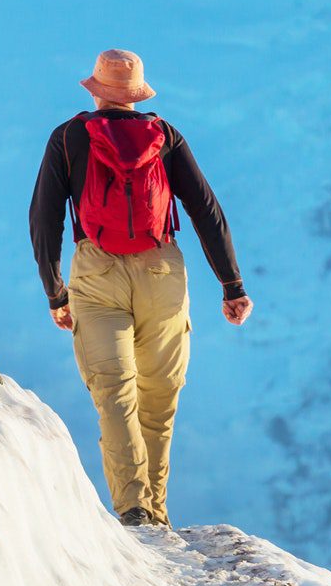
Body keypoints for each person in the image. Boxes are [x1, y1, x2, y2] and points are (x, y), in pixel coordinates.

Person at [29, 49, 252, 528]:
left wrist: (55, 291)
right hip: (161, 272)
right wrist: (231, 285)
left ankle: (132, 508)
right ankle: (157, 508)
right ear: (137, 95)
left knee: (114, 392)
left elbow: (44, 217)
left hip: (97, 271)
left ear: (95, 89)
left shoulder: (69, 138)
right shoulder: (165, 136)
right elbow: (205, 209)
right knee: (159, 396)